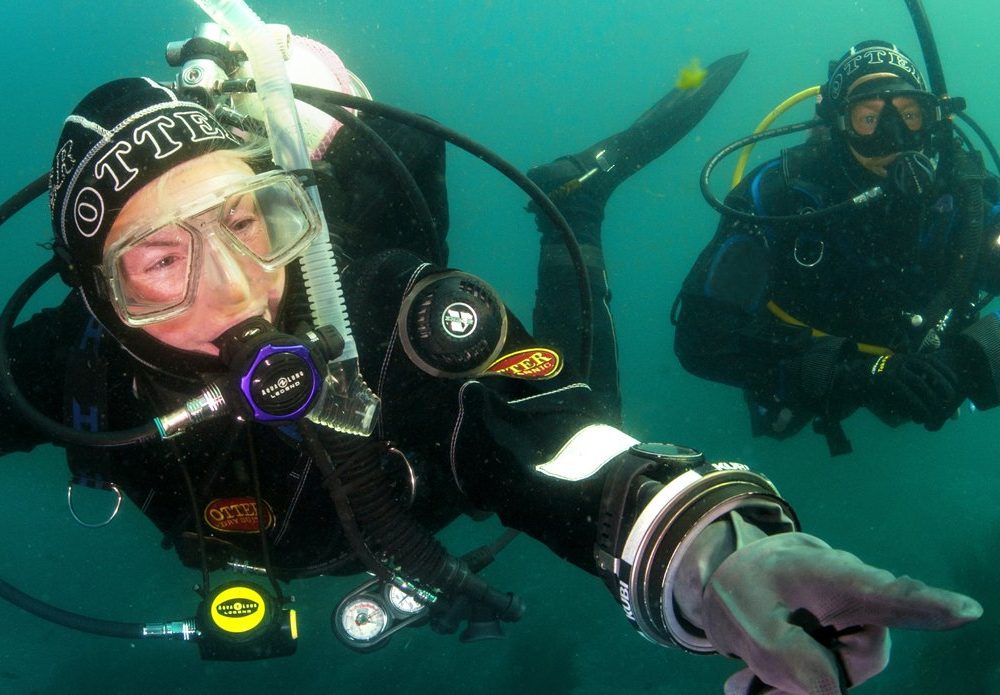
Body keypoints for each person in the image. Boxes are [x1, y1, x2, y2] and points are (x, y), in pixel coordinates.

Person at [0, 30, 982, 694]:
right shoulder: (68, 366)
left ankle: (575, 208)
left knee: (593, 399)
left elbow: (562, 448)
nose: (235, 290)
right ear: (96, 295)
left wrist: (709, 553)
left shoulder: (395, 313)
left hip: (434, 505)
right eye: (160, 262)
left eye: (248, 220)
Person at [674, 39, 1000, 455]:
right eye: (869, 118)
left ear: (932, 118)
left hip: (927, 351)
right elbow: (701, 340)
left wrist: (968, 359)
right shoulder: (780, 198)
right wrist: (848, 377)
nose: (893, 137)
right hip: (814, 365)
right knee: (780, 421)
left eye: (909, 114)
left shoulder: (968, 199)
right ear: (838, 125)